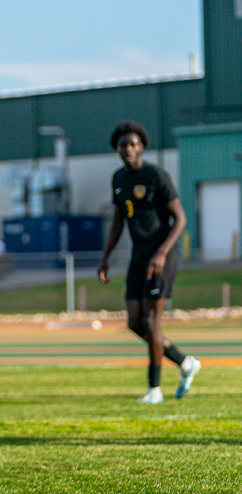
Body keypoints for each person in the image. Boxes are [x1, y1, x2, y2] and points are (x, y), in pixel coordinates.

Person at [97, 121, 201, 404]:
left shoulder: (157, 175)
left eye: (133, 144)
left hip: (162, 256)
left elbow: (181, 219)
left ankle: (154, 390)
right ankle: (184, 362)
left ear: (142, 146)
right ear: (117, 149)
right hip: (138, 256)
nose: (128, 149)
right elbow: (119, 221)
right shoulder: (118, 179)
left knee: (153, 321)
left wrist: (162, 253)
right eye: (123, 145)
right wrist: (105, 257)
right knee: (134, 322)